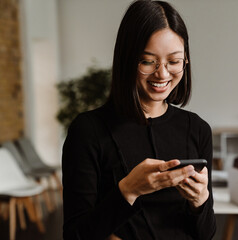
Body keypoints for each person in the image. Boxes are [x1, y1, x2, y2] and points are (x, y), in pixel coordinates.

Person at [62, 1, 216, 239]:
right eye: (147, 61)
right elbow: (75, 235)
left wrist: (200, 201)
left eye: (174, 61)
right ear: (127, 60)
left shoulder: (197, 129)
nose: (162, 74)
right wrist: (128, 190)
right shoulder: (88, 131)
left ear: (185, 61)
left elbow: (206, 233)